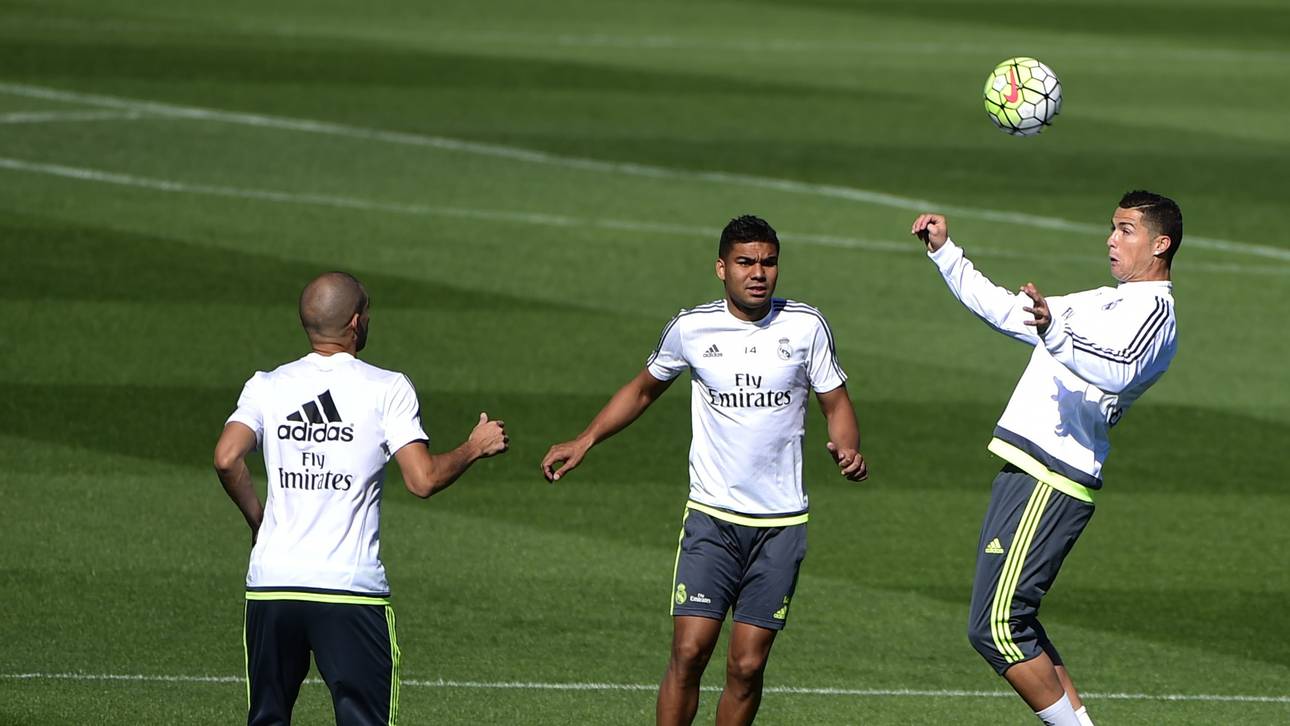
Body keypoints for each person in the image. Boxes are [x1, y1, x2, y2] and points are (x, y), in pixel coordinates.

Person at [541, 215, 868, 726]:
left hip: (780, 525)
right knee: (690, 652)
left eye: (768, 262)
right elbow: (643, 388)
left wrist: (848, 448)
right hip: (712, 517)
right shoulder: (691, 328)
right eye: (745, 262)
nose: (758, 272)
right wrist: (586, 439)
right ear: (721, 268)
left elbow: (836, 402)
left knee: (746, 665)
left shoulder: (806, 326)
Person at [910, 190, 1182, 726]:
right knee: (1015, 620)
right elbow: (1015, 314)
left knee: (996, 627)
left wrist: (1054, 331)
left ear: (1160, 244)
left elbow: (1119, 368)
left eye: (1126, 230)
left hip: (1054, 474)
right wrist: (947, 255)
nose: (1111, 238)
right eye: (1112, 226)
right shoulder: (1102, 300)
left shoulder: (1156, 314)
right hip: (1028, 467)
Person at [213, 271, 508, 726]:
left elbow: (227, 457)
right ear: (354, 322)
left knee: (267, 719)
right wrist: (474, 446)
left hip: (272, 585)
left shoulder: (266, 385)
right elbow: (422, 480)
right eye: (367, 312)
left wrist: (259, 521)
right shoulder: (386, 388)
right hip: (349, 592)